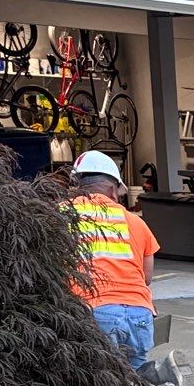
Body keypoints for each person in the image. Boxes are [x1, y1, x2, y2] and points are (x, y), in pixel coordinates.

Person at [63, 150, 159, 367]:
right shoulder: (135, 222)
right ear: (111, 189)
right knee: (135, 381)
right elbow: (147, 277)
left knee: (101, 384)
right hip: (140, 314)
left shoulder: (60, 216)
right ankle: (153, 377)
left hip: (94, 313)